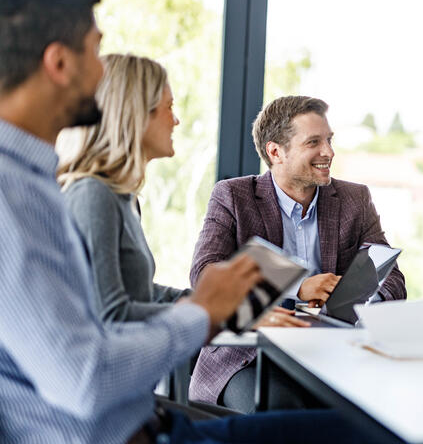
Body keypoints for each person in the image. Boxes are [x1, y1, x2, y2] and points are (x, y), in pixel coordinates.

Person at [0, 0, 372, 443]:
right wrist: (204, 313)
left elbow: (94, 328)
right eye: (96, 51)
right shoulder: (18, 195)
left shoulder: (35, 182)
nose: (101, 70)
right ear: (59, 63)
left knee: (356, 426)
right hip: (125, 434)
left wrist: (221, 308)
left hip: (146, 421)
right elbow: (85, 379)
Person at [56, 53, 305, 334]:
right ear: (136, 114)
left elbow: (144, 295)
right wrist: (213, 314)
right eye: (168, 106)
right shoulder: (93, 195)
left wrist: (234, 311)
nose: (175, 120)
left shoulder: (124, 199)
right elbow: (111, 315)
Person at [188, 95, 407, 412]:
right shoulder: (233, 196)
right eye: (314, 142)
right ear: (275, 152)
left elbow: (392, 278)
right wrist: (296, 286)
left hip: (334, 353)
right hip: (248, 357)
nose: (328, 152)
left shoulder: (354, 199)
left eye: (329, 140)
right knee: (283, 410)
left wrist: (357, 302)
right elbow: (204, 275)